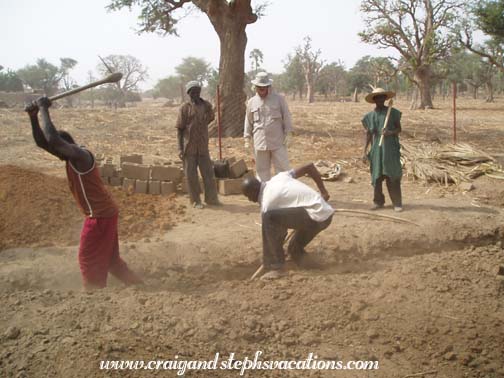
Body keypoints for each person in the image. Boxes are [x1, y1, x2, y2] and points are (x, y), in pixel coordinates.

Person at [25, 97, 143, 290]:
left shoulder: (81, 156)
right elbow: (43, 142)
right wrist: (33, 116)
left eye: (58, 149)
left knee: (87, 258)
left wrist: (44, 108)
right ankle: (138, 285)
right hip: (105, 213)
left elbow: (53, 139)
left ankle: (94, 295)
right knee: (112, 261)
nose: (55, 152)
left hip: (99, 216)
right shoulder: (70, 156)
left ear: (66, 146)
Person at [242, 163, 334, 280]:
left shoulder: (267, 204)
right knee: (294, 250)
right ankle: (320, 269)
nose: (250, 200)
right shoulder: (279, 177)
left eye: (248, 196)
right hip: (324, 214)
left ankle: (276, 266)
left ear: (254, 190)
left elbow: (275, 231)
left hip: (315, 216)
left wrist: (273, 252)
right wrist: (323, 192)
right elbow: (309, 167)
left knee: (268, 217)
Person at [176, 81, 220, 209]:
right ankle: (195, 201)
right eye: (192, 92)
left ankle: (211, 199)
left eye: (197, 91)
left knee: (208, 173)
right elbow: (179, 129)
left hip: (202, 146)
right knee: (191, 176)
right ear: (188, 93)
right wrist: (179, 148)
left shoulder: (206, 106)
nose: (195, 94)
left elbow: (211, 118)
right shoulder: (184, 108)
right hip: (188, 147)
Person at [244, 72, 293, 182]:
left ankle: (283, 193)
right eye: (259, 88)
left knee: (282, 170)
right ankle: (265, 195)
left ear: (268, 87)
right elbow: (248, 120)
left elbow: (287, 116)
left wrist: (289, 133)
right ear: (255, 88)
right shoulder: (251, 102)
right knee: (262, 171)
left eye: (264, 88)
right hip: (259, 142)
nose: (262, 90)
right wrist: (247, 137)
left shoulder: (279, 99)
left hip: (277, 141)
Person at [362, 88, 403, 212]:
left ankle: (397, 203)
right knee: (377, 175)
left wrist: (390, 132)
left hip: (390, 148)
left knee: (392, 175)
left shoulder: (393, 113)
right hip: (377, 149)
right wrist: (364, 150)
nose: (379, 100)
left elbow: (399, 129)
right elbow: (369, 134)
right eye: (377, 98)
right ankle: (378, 202)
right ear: (374, 100)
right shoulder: (369, 116)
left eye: (382, 97)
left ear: (385, 99)